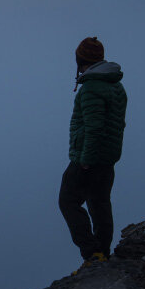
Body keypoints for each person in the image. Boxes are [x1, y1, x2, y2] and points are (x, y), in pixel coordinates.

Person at [60, 37, 127, 274]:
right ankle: (103, 254)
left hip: (88, 158)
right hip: (108, 157)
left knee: (68, 201)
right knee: (99, 204)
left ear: (80, 60)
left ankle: (92, 253)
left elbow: (94, 127)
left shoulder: (91, 88)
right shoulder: (115, 85)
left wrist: (85, 159)